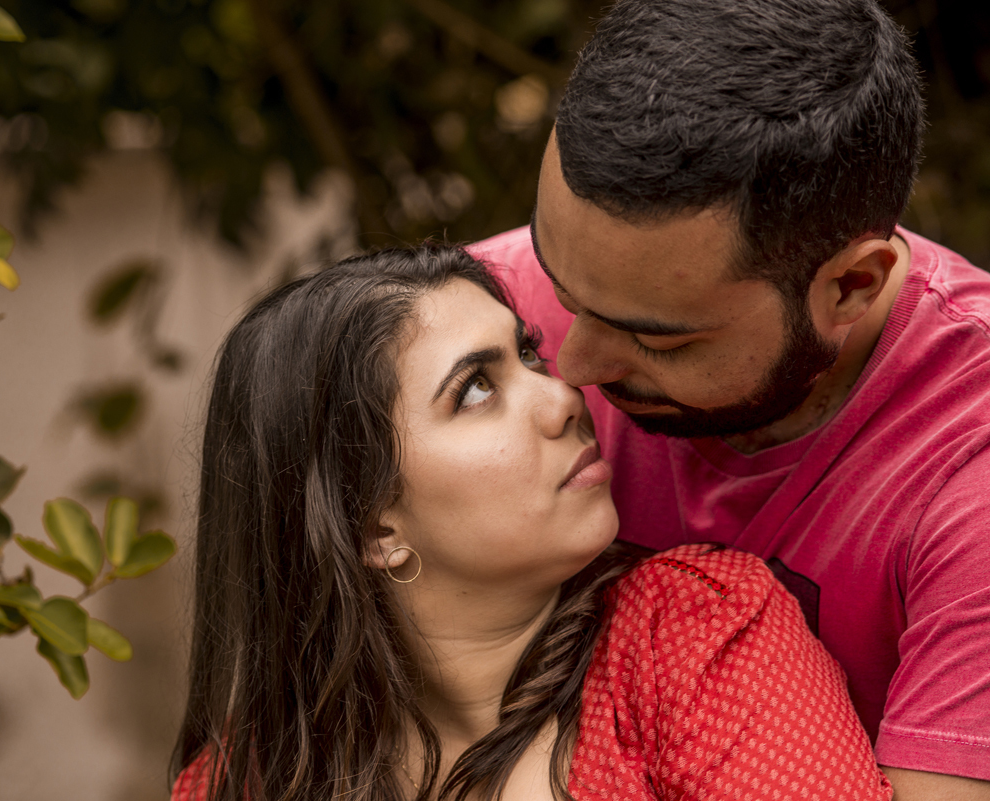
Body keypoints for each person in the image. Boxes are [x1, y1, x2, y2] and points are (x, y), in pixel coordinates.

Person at [472, 0, 990, 796]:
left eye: (658, 339)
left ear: (852, 285)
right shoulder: (479, 322)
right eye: (561, 288)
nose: (567, 367)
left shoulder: (970, 460)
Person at [171, 246, 891, 801]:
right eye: (476, 389)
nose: (563, 397)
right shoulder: (241, 780)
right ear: (371, 528)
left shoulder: (693, 639)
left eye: (526, 353)